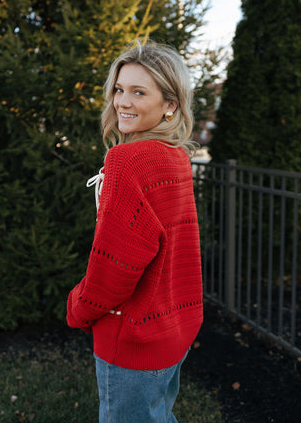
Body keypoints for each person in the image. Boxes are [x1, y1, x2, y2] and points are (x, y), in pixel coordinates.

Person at [67, 40, 203, 423]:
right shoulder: (174, 155)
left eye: (138, 92)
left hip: (134, 335)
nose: (121, 102)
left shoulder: (128, 160)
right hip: (174, 327)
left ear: (170, 105)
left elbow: (117, 266)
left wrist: (79, 307)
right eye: (119, 89)